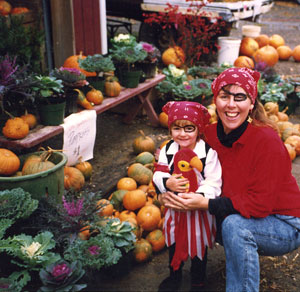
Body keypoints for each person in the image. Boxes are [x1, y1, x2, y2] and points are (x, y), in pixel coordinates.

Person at [160, 67, 300, 292]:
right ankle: (193, 276)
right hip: (240, 208)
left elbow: (260, 205)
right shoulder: (209, 134)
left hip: (283, 223)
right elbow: (176, 157)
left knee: (234, 226)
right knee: (187, 210)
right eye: (224, 96)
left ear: (251, 103)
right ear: (215, 100)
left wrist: (206, 204)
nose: (231, 104)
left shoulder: (267, 141)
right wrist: (166, 188)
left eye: (240, 97)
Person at [153, 101, 222, 291]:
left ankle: (198, 279)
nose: (182, 134)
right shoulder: (168, 150)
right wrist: (167, 182)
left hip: (198, 211)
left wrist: (199, 196)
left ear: (198, 129)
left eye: (189, 128)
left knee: (198, 244)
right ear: (170, 129)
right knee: (174, 240)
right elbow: (158, 172)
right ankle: (174, 274)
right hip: (175, 207)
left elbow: (214, 181)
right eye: (176, 128)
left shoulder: (207, 153)